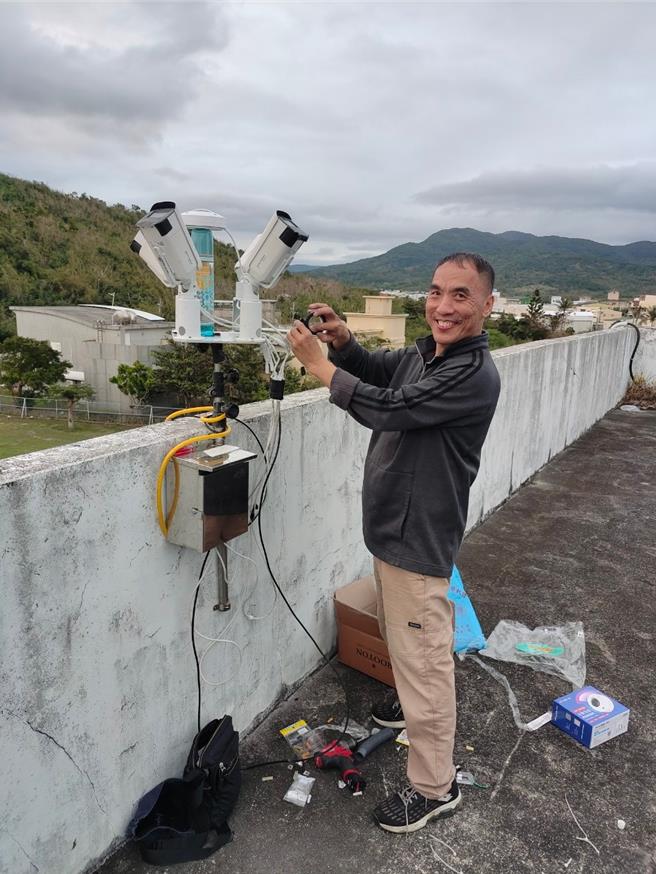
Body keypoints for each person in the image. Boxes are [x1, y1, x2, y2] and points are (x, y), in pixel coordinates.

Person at [288, 253, 501, 834]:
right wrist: (343, 342)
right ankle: (408, 706)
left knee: (426, 664)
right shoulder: (428, 353)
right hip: (390, 531)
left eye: (461, 295)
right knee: (403, 639)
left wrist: (320, 367)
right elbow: (381, 371)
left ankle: (435, 787)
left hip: (418, 539)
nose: (444, 306)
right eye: (436, 292)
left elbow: (390, 407)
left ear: (487, 304)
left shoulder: (471, 373)